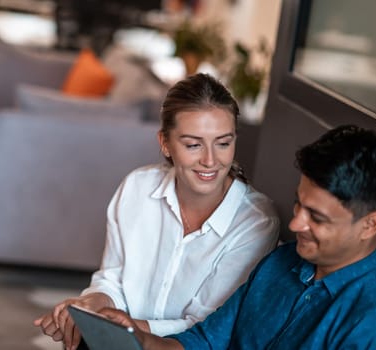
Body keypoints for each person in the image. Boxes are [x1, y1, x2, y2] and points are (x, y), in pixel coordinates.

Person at [101, 125, 376, 349]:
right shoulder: (281, 263)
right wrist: (138, 339)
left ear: (369, 225)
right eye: (299, 203)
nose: (295, 223)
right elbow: (205, 342)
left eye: (317, 218)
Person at [33, 73, 280, 349]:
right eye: (193, 144)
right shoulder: (137, 188)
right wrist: (88, 306)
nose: (211, 160)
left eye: (223, 143)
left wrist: (128, 326)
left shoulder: (256, 221)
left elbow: (209, 327)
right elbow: (111, 280)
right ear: (165, 143)